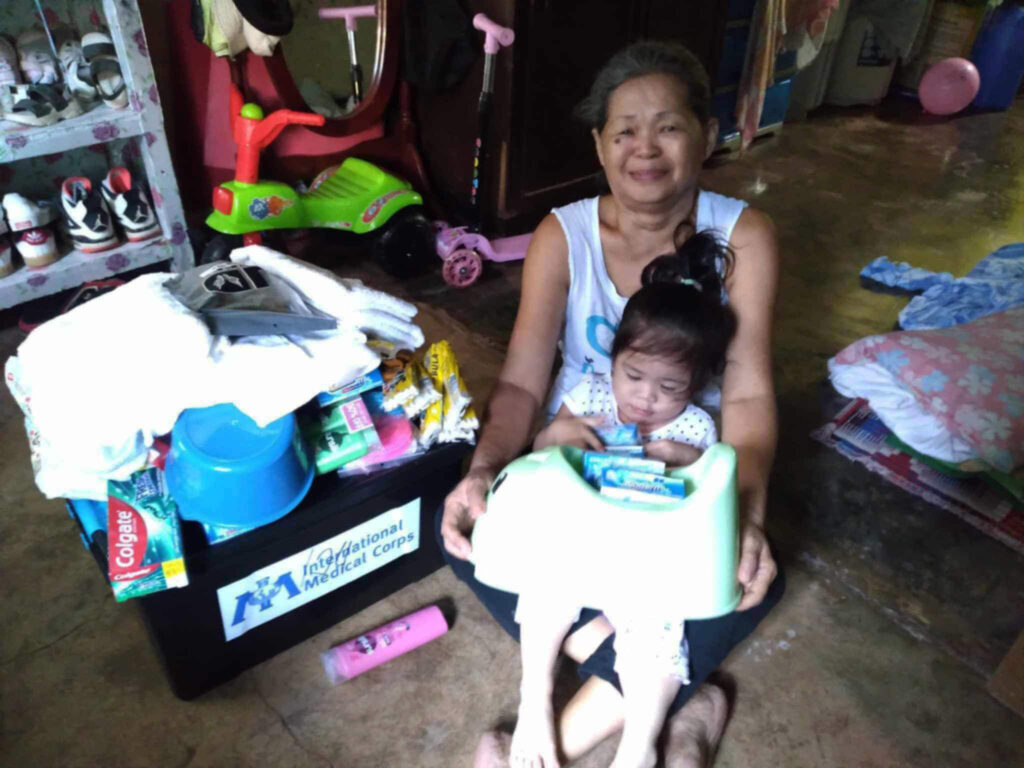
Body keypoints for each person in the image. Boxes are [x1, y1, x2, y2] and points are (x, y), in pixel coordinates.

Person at [435, 40, 785, 768]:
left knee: (745, 580)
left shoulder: (744, 236)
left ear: (706, 136)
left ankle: (550, 741)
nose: (644, 149)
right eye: (624, 130)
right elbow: (525, 383)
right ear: (599, 144)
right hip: (577, 463)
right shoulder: (561, 237)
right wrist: (484, 474)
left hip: (676, 477)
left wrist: (745, 517)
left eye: (668, 127)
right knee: (451, 527)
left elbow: (748, 389)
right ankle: (679, 713)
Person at [511, 230, 737, 768]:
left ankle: (640, 743)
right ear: (612, 357)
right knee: (543, 586)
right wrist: (554, 438)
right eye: (633, 375)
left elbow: (709, 504)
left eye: (669, 387)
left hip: (646, 559)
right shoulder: (590, 394)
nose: (645, 398)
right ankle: (534, 698)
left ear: (696, 384)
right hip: (579, 542)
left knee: (661, 625)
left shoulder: (696, 427)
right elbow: (537, 457)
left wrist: (690, 465)